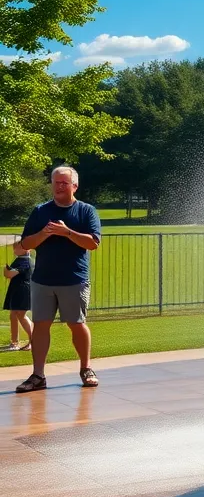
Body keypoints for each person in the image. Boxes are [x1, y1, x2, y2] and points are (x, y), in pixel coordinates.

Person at [15, 166, 102, 393]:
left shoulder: (85, 211)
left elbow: (93, 243)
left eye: (64, 183)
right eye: (56, 182)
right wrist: (44, 233)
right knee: (41, 325)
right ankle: (38, 375)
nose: (59, 186)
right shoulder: (40, 211)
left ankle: (86, 368)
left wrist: (68, 233)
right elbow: (25, 245)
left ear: (75, 186)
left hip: (74, 279)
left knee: (76, 324)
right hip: (43, 279)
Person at [4, 242, 34, 351]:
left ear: (26, 249)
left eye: (16, 248)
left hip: (23, 291)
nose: (14, 250)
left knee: (20, 314)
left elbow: (9, 274)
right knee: (13, 315)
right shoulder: (19, 260)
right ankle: (14, 342)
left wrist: (6, 270)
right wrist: (7, 271)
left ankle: (33, 340)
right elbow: (8, 274)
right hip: (17, 290)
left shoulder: (25, 261)